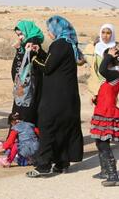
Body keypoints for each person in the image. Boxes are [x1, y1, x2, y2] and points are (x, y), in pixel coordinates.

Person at [26, 16, 84, 177]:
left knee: (47, 126)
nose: (48, 32)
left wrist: (33, 57)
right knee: (61, 128)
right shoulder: (67, 44)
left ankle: (44, 165)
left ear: (56, 29)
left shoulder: (59, 44)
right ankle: (61, 163)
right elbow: (53, 62)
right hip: (67, 97)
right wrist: (41, 52)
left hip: (56, 98)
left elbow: (47, 68)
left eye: (49, 29)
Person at [90, 44, 119, 187]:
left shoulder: (116, 73)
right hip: (102, 111)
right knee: (99, 142)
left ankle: (113, 175)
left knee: (104, 142)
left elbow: (101, 70)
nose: (105, 58)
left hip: (107, 113)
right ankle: (105, 171)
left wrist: (110, 55)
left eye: (107, 56)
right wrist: (97, 99)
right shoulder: (111, 76)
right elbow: (107, 94)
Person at [11, 20, 44, 126]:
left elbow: (26, 62)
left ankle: (21, 139)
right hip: (24, 83)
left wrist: (19, 50)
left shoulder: (32, 42)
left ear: (27, 31)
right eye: (18, 35)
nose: (20, 37)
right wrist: (19, 49)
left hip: (29, 85)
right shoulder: (28, 42)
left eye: (21, 34)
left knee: (24, 110)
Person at [86, 24, 116, 95]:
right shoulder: (96, 47)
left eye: (108, 33)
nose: (105, 35)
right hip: (96, 86)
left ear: (112, 34)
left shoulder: (115, 49)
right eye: (103, 32)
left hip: (110, 84)